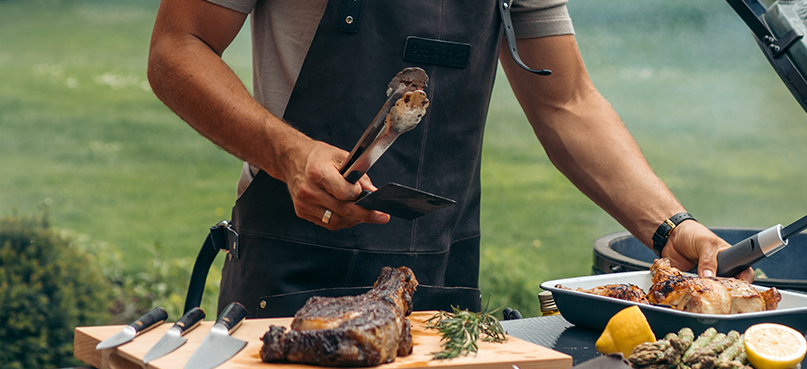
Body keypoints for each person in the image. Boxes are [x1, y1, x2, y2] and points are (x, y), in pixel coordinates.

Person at [147, 0, 755, 317]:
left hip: (443, 282)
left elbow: (565, 101)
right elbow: (178, 46)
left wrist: (671, 226)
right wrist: (288, 152)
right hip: (291, 276)